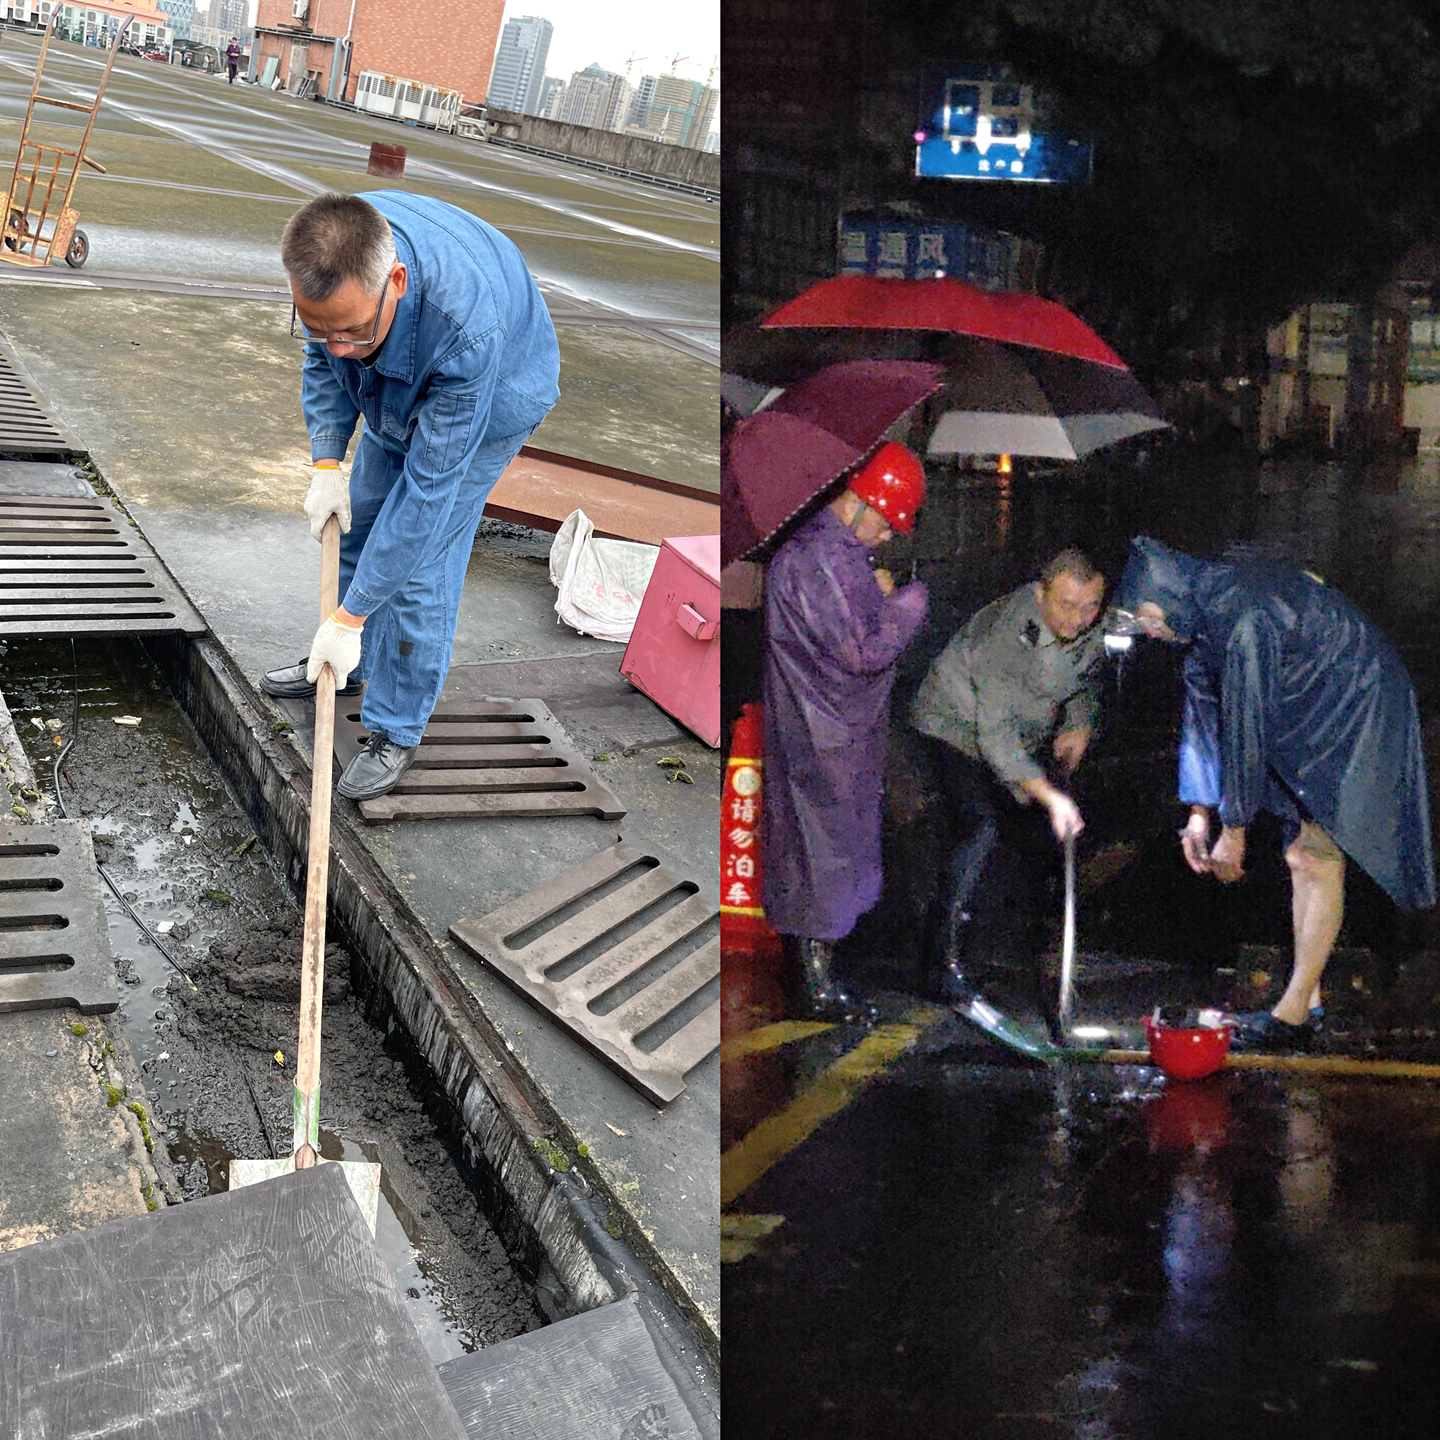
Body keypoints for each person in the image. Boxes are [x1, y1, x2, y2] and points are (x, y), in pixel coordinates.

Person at [261, 192, 560, 799]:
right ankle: (344, 666)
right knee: (359, 520)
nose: (336, 345)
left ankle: (396, 727)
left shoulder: (464, 332)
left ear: (394, 281)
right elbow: (325, 360)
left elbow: (427, 494)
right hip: (398, 375)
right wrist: (326, 460)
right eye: (320, 328)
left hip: (495, 394)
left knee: (418, 565)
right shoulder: (339, 243)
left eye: (351, 330)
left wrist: (351, 616)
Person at [1109, 536, 1436, 1051]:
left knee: (1319, 855)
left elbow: (1247, 719)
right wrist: (1198, 814)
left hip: (1359, 702)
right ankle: (1303, 1000)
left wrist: (1234, 829)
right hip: (1309, 704)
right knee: (1302, 855)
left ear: (1168, 597)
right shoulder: (1201, 616)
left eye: (1150, 619)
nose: (1153, 632)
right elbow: (1202, 715)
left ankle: (1294, 1012)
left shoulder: (1242, 619)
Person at [762, 443, 930, 1021]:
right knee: (822, 849)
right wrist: (909, 604)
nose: (887, 536)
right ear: (862, 503)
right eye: (887, 523)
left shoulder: (823, 555)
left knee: (814, 847)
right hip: (823, 733)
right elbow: (862, 650)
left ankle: (814, 973)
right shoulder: (822, 561)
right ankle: (815, 986)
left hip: (817, 726)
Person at [909, 549, 1108, 1000]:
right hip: (952, 727)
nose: (1078, 619)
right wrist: (1049, 796)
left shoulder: (1093, 625)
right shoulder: (1007, 634)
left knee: (1024, 840)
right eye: (1066, 605)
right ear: (1041, 595)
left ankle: (1004, 951)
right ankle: (940, 964)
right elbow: (994, 735)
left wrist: (1079, 723)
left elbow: (1086, 678)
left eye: (1089, 606)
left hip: (1018, 734)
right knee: (979, 826)